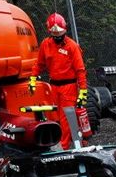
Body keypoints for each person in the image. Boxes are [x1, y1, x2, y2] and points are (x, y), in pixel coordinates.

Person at [28, 13, 88, 150]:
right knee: (55, 117)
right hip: (54, 86)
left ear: (65, 30)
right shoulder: (45, 45)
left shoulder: (72, 46)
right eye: (54, 34)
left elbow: (80, 70)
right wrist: (32, 78)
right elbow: (39, 64)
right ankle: (76, 138)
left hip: (69, 87)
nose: (57, 36)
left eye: (59, 33)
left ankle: (63, 148)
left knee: (66, 118)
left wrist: (83, 91)